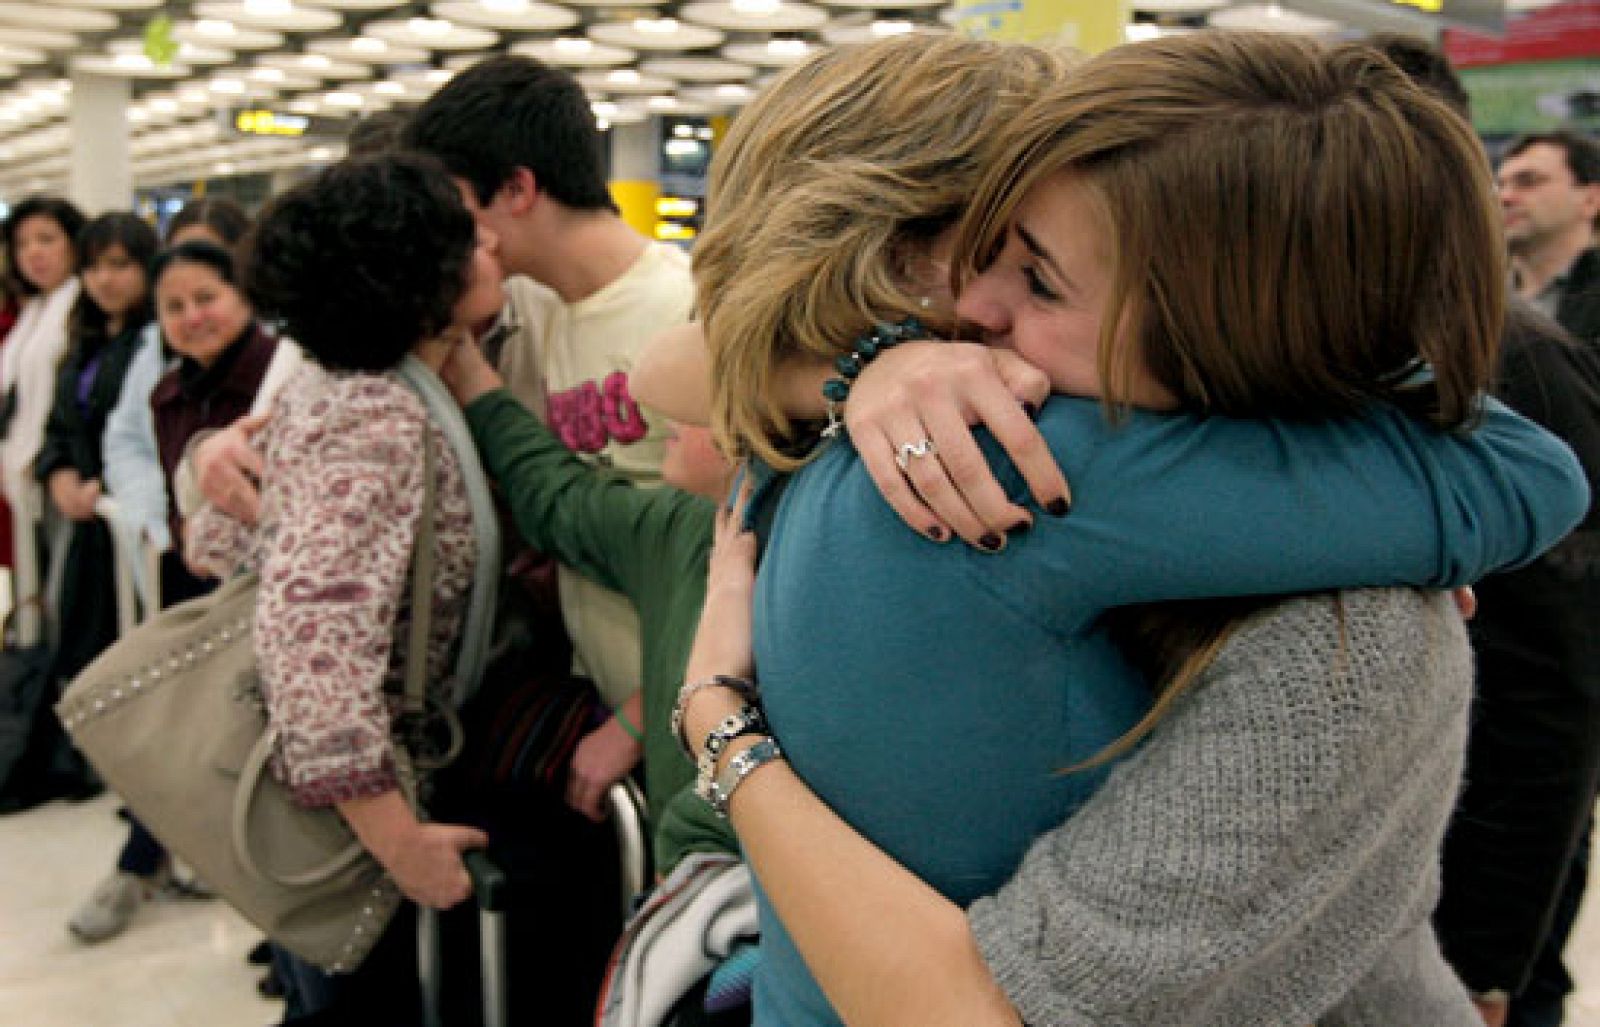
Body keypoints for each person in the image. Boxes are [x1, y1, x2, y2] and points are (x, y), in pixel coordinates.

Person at [675, 31, 1590, 1025]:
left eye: (1036, 271)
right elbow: (1526, 476)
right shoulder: (1020, 462)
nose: (981, 301)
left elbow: (676, 364)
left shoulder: (785, 452)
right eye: (991, 245)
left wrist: (842, 368)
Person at [185, 153, 502, 1025]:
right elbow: (311, 648)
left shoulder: (332, 385)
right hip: (353, 819)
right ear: (414, 281)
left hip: (324, 800)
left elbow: (219, 540)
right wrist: (400, 843)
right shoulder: (377, 418)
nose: (490, 244)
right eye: (464, 238)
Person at [1367, 36, 1600, 1027]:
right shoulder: (1348, 339)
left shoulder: (1514, 364)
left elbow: (1551, 682)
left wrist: (1487, 958)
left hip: (1467, 903)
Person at [404, 56, 696, 815]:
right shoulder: (538, 311)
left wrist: (642, 713)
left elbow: (738, 551)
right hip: (598, 698)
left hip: (686, 726)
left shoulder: (688, 313)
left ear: (518, 190)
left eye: (457, 206)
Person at [101, 198, 258, 610]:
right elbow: (133, 446)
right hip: (189, 571)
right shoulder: (167, 391)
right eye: (174, 305)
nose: (192, 317)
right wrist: (166, 526)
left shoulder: (279, 371)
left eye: (206, 297)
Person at [0, 196, 85, 639]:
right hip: (24, 472)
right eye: (22, 243)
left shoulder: (79, 306)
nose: (34, 252)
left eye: (46, 239)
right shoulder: (32, 311)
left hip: (59, 470)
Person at [1498, 130, 1600, 344]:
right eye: (1501, 185)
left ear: (1590, 200)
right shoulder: (1477, 296)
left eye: (1528, 181)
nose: (1504, 197)